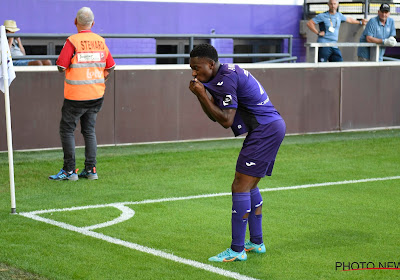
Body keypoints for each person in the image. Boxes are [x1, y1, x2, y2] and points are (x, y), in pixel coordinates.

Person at [188, 44, 286, 262]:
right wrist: (201, 95)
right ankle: (256, 242)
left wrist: (202, 94)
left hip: (265, 129)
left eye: (197, 68)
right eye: (191, 68)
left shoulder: (225, 79)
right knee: (249, 185)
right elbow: (216, 114)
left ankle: (236, 249)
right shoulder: (225, 74)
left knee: (240, 185)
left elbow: (226, 120)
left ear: (211, 64)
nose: (194, 73)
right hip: (270, 126)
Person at [49, 7, 115, 181]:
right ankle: (91, 170)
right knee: (89, 130)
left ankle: (70, 171)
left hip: (75, 96)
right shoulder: (100, 41)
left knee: (67, 130)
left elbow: (61, 66)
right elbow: (110, 66)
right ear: (93, 23)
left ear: (75, 21)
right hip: (96, 94)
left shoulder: (72, 41)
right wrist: (102, 78)